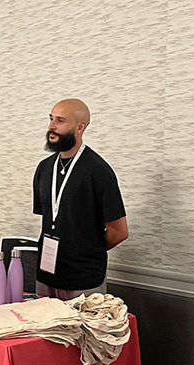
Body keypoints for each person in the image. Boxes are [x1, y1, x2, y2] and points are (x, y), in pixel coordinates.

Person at [32, 98, 128, 300]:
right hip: (46, 275)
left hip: (84, 280)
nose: (51, 126)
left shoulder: (98, 171)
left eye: (60, 121)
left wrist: (86, 248)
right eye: (51, 119)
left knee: (82, 332)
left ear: (80, 127)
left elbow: (119, 232)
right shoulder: (44, 168)